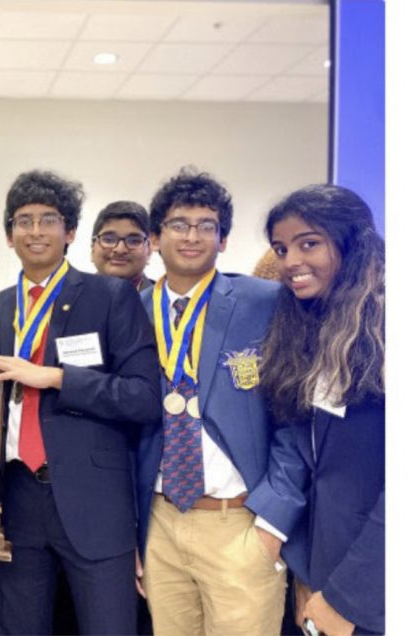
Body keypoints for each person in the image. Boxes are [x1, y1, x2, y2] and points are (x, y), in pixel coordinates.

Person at [0, 170, 161, 635]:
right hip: (16, 501)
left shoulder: (111, 296)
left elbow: (143, 397)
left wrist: (56, 378)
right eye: (23, 221)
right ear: (8, 235)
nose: (35, 231)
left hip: (95, 502)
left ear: (71, 232)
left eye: (48, 220)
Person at [135, 168, 307, 636]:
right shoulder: (133, 310)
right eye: (178, 224)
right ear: (154, 237)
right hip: (160, 521)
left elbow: (296, 418)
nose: (192, 236)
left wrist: (273, 525)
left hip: (241, 524)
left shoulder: (266, 302)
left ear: (223, 239)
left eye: (206, 225)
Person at [262, 185, 384, 635]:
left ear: (352, 241)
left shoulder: (387, 330)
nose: (290, 260)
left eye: (308, 243)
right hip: (322, 563)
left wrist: (346, 598)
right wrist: (308, 574)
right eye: (281, 248)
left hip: (371, 584)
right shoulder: (316, 326)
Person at [90, 200, 154, 291]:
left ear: (149, 252)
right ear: (92, 249)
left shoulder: (166, 302)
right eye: (109, 240)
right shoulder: (69, 297)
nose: (120, 250)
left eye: (134, 241)